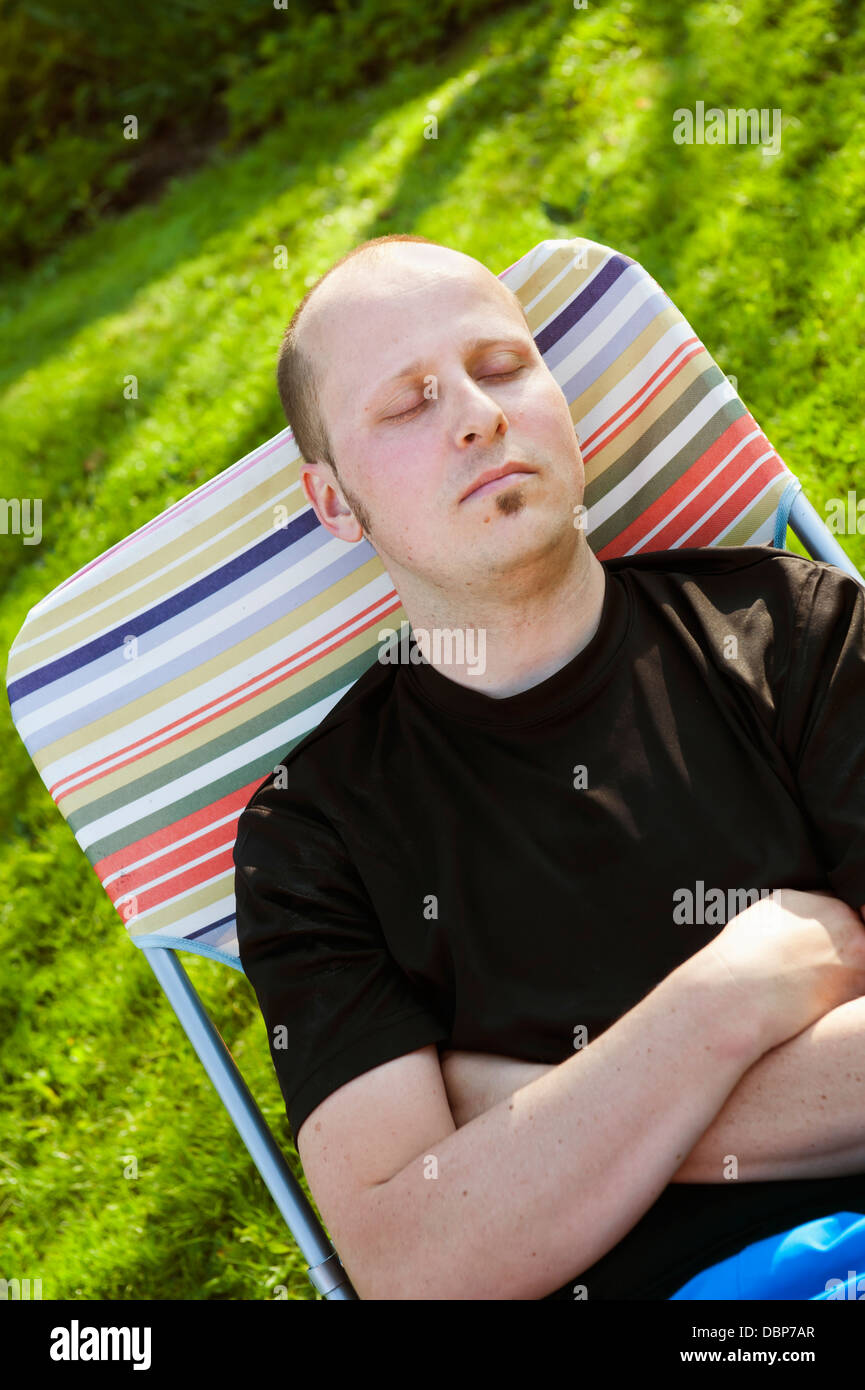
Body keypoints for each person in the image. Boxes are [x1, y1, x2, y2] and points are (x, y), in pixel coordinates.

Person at [233, 233, 865, 1300]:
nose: (478, 415)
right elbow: (418, 1264)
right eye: (408, 402)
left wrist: (522, 1113)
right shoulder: (313, 832)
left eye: (501, 366)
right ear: (335, 503)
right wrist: (725, 1000)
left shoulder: (789, 629)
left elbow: (449, 1211)